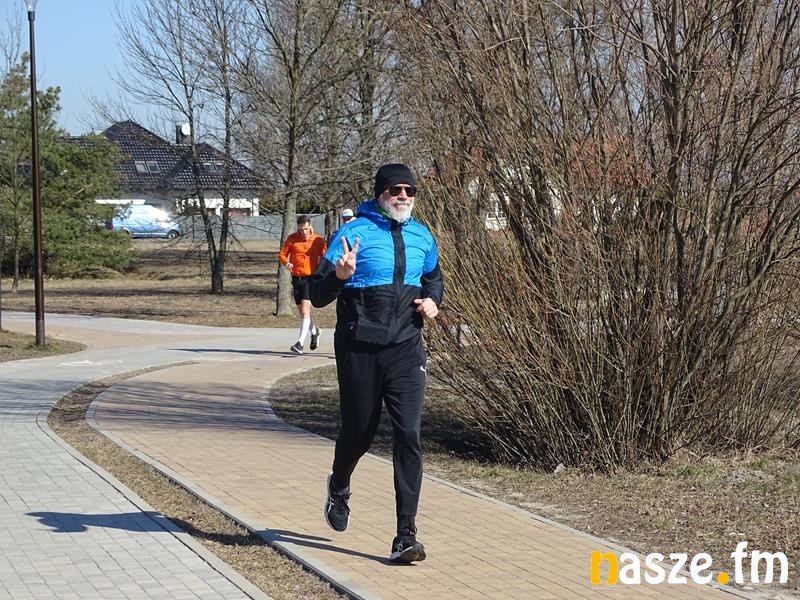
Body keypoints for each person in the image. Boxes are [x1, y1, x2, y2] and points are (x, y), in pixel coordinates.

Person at [309, 163, 443, 563]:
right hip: (360, 348)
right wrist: (339, 275)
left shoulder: (422, 235)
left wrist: (433, 301)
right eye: (395, 190)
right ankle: (339, 485)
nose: (403, 196)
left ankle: (406, 535)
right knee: (359, 433)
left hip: (406, 349)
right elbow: (318, 294)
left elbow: (434, 279)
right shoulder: (353, 233)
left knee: (409, 436)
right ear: (380, 193)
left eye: (409, 191)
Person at [278, 215, 327, 354]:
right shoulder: (292, 239)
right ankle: (315, 332)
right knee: (302, 313)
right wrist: (286, 263)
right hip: (297, 278)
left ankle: (299, 343)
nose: (303, 232)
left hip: (310, 279)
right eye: (300, 229)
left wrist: (323, 273)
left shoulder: (318, 240)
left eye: (305, 229)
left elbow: (326, 257)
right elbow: (282, 255)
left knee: (306, 311)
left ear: (310, 226)